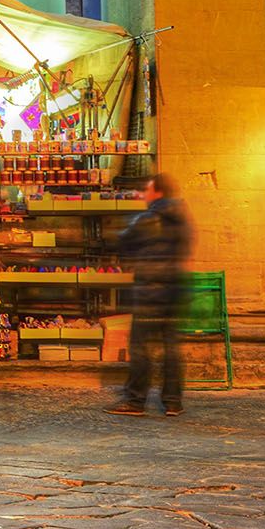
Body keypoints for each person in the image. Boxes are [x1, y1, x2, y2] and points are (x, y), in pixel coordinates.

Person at [107, 173, 192, 416]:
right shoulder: (182, 219)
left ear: (158, 192)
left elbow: (122, 243)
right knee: (171, 348)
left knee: (140, 347)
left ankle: (135, 401)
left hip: (149, 292)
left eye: (147, 190)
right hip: (174, 290)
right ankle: (173, 402)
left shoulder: (146, 219)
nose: (144, 195)